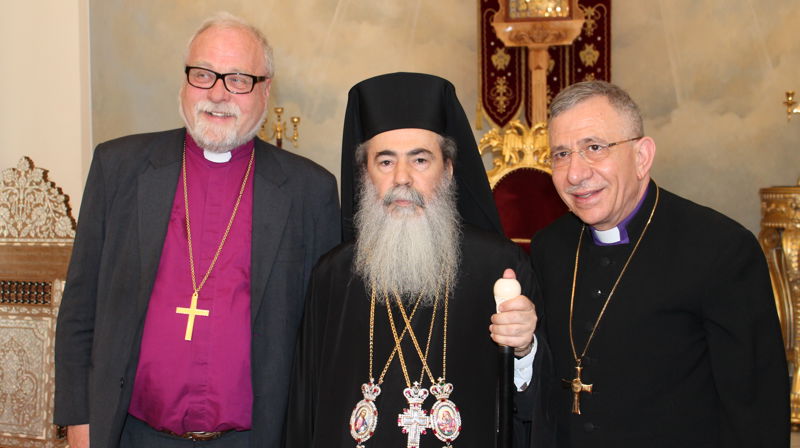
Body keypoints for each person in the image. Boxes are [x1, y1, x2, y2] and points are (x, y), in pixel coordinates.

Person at [53, 12, 339, 448]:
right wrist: (79, 420)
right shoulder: (119, 168)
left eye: (239, 79)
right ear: (185, 84)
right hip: (132, 434)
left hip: (255, 438)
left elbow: (322, 338)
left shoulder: (310, 191)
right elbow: (80, 308)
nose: (218, 94)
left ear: (265, 91)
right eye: (203, 75)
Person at [285, 72, 555, 448]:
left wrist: (524, 349)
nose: (402, 178)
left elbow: (535, 409)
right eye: (384, 162)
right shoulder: (332, 276)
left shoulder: (500, 266)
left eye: (420, 160)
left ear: (448, 169)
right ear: (365, 173)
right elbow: (305, 411)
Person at [531, 80, 789, 447]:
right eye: (560, 154)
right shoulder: (548, 247)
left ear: (641, 157)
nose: (574, 173)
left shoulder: (721, 248)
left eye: (594, 148)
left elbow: (755, 408)